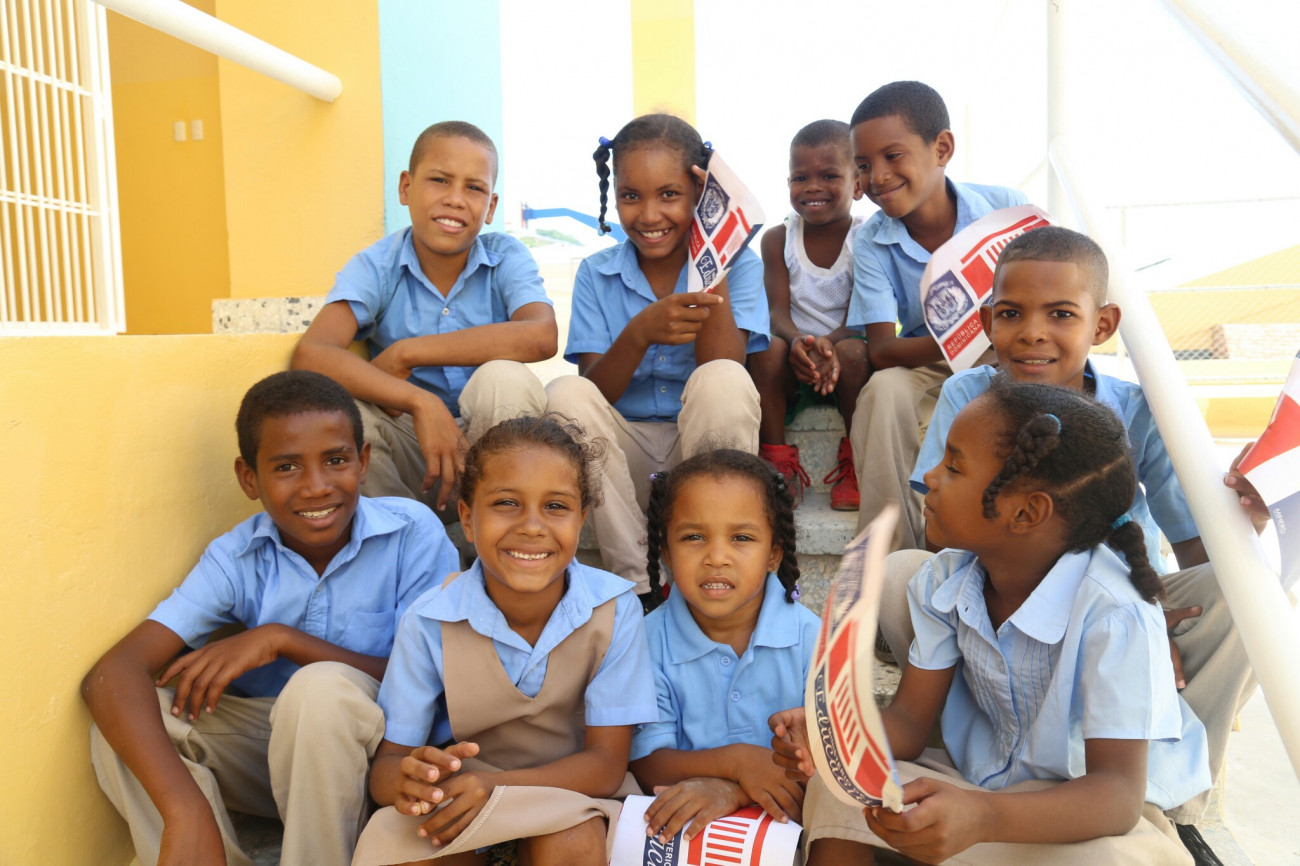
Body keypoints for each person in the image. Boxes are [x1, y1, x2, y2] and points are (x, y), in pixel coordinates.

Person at [898, 226, 1261, 835]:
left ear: (1103, 324)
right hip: (1007, 578)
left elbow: (1191, 541)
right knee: (907, 574)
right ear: (986, 322)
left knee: (1239, 593)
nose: (1032, 332)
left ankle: (1170, 804)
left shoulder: (1138, 407)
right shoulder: (969, 396)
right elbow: (952, 535)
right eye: (1011, 313)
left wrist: (1151, 615)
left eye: (1061, 314)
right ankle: (973, 734)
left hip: (1123, 586)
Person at [774, 379, 1212, 865]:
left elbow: (1116, 795)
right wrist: (830, 735)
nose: (931, 476)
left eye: (954, 466)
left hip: (1086, 810)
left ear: (1026, 512)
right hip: (981, 789)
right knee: (836, 789)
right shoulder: (946, 581)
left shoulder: (1117, 614)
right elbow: (910, 722)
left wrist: (983, 817)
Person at [82, 370, 457, 866]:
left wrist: (283, 640)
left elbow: (435, 680)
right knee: (129, 721)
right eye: (286, 467)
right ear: (248, 478)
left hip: (397, 757)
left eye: (336, 460)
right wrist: (184, 811)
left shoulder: (412, 533)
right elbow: (113, 673)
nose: (317, 487)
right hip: (289, 763)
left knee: (319, 690)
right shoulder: (237, 556)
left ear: (363, 462)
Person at [351, 416, 658, 866]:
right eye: (507, 503)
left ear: (581, 520)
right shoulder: (430, 619)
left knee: (571, 843)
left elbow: (606, 766)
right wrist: (408, 779)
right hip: (462, 794)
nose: (532, 526)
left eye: (556, 506)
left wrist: (498, 788)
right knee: (407, 845)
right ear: (467, 519)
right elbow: (388, 765)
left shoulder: (614, 610)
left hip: (572, 793)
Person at [545, 114, 770, 603]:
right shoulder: (596, 273)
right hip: (619, 461)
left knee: (725, 379)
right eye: (631, 196)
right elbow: (594, 393)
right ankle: (639, 584)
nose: (649, 215)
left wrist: (713, 250)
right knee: (564, 393)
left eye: (669, 194)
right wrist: (640, 333)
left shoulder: (742, 266)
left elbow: (726, 364)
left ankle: (710, 563)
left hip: (702, 450)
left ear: (700, 195)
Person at [293, 120, 557, 518]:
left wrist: (408, 352)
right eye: (439, 180)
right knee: (351, 414)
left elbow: (540, 335)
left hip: (493, 451)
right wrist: (420, 401)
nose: (455, 199)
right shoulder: (377, 266)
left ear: (491, 207)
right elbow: (312, 354)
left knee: (505, 377)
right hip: (414, 451)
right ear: (406, 187)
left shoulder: (505, 256)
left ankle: (502, 530)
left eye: (474, 188)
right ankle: (403, 537)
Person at [841, 80, 1028, 547]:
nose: (877, 177)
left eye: (893, 156)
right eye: (863, 165)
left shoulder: (1005, 209)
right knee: (882, 391)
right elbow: (883, 350)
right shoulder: (871, 241)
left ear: (941, 148)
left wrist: (992, 338)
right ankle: (889, 555)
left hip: (1008, 353)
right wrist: (970, 335)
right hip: (925, 360)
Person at [629, 449, 822, 843]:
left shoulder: (810, 637)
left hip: (792, 826)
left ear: (774, 553)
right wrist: (738, 762)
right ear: (666, 552)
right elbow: (648, 765)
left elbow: (827, 768)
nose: (716, 558)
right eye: (693, 537)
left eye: (741, 538)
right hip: (690, 828)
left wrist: (736, 790)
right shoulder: (646, 640)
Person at [748, 120, 866, 509]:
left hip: (847, 357)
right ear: (788, 184)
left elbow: (861, 316)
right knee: (767, 349)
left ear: (857, 184)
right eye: (800, 178)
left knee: (854, 352)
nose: (813, 187)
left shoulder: (867, 239)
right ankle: (776, 461)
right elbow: (776, 311)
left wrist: (827, 346)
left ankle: (856, 462)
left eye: (829, 175)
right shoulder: (778, 239)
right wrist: (799, 341)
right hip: (794, 358)